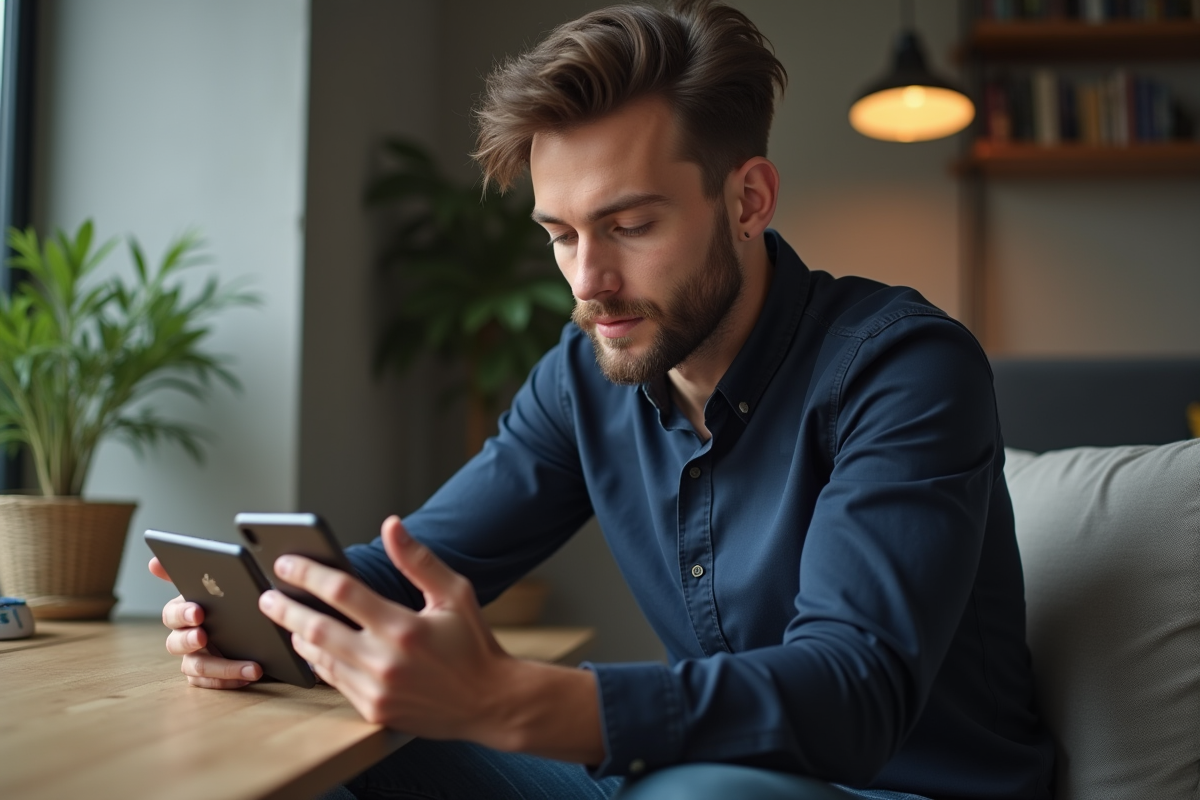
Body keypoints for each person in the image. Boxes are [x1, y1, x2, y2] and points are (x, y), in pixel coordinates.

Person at [151, 2, 1055, 798]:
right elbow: (418, 567)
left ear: (748, 200)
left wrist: (513, 698)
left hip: (892, 792)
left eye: (630, 227)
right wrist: (265, 608)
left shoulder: (904, 369)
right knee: (334, 751)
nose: (591, 281)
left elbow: (853, 692)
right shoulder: (588, 374)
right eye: (561, 235)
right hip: (688, 780)